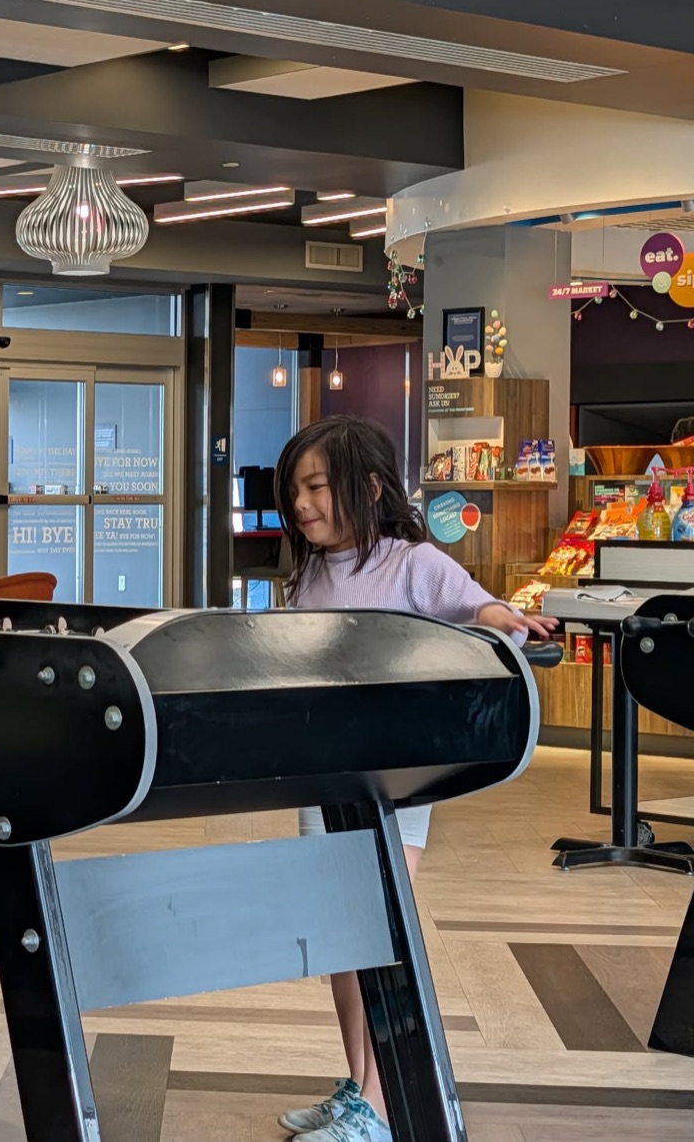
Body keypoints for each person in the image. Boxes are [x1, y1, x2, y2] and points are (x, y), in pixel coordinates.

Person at [270, 416, 556, 1142]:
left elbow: (474, 605)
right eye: (293, 490)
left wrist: (506, 617)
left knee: (376, 929)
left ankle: (383, 1101)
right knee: (339, 938)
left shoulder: (411, 562)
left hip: (399, 783)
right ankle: (359, 1090)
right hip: (324, 778)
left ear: (367, 488)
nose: (301, 505)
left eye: (315, 487)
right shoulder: (308, 572)